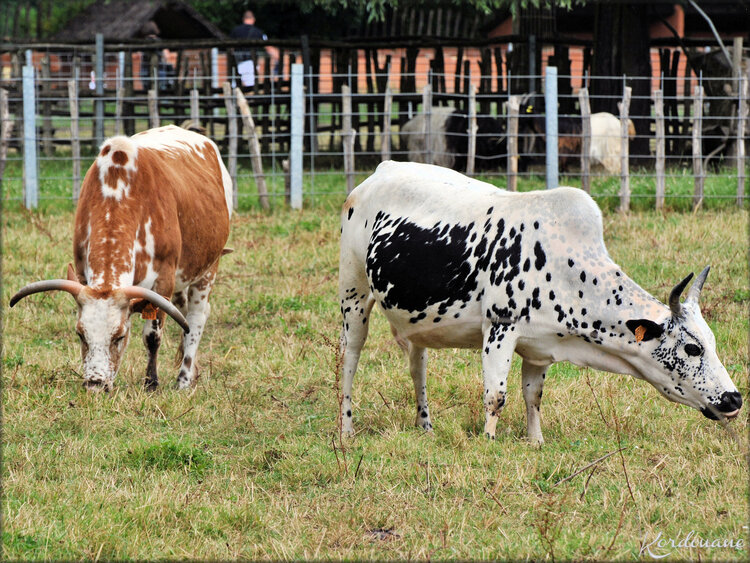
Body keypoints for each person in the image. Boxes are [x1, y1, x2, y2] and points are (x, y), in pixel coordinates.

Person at [230, 10, 280, 88]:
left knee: (235, 88)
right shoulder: (258, 32)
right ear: (253, 19)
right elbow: (268, 47)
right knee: (251, 88)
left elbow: (231, 48)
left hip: (237, 63)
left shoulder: (235, 31)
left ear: (243, 19)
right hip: (251, 64)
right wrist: (278, 55)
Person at [138, 21, 175, 92]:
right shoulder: (160, 42)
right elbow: (167, 55)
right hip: (160, 70)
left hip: (145, 70)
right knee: (161, 91)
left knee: (146, 91)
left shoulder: (142, 43)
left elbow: (139, 55)